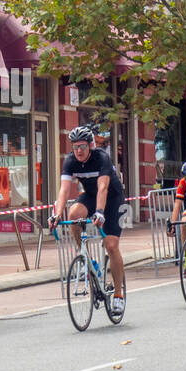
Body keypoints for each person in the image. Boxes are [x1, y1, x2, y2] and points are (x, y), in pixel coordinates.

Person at [50, 125, 128, 315]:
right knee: (74, 214)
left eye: (82, 146)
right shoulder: (70, 161)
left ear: (90, 145)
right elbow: (64, 190)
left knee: (111, 245)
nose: (78, 151)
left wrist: (100, 212)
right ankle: (86, 258)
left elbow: (103, 188)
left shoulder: (101, 158)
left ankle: (118, 295)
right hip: (91, 196)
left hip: (112, 199)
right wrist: (57, 214)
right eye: (75, 146)